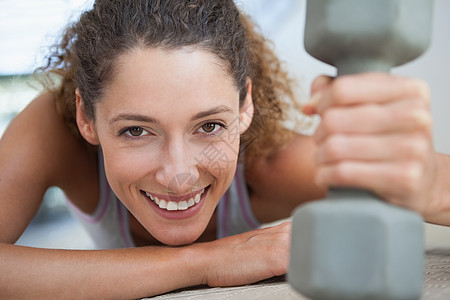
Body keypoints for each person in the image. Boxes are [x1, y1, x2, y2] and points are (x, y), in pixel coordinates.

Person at [0, 0, 447, 298]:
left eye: (210, 125)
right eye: (137, 131)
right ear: (86, 116)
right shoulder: (54, 129)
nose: (178, 175)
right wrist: (209, 261)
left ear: (245, 106)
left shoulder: (269, 167)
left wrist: (419, 182)